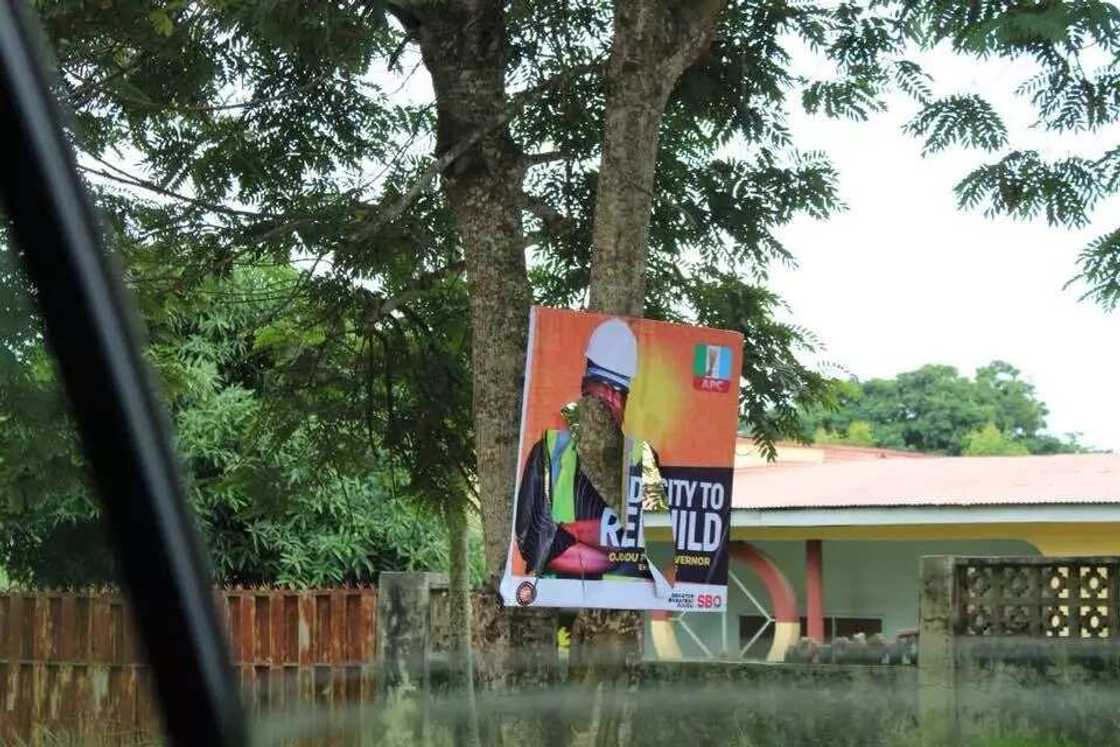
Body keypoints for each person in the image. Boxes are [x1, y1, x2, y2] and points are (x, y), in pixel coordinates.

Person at [514, 318, 664, 580]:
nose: (611, 401)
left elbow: (655, 540)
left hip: (624, 607)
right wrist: (612, 556)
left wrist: (573, 537)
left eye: (619, 392)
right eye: (602, 389)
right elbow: (532, 536)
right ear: (584, 388)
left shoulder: (644, 457)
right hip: (560, 600)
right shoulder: (549, 451)